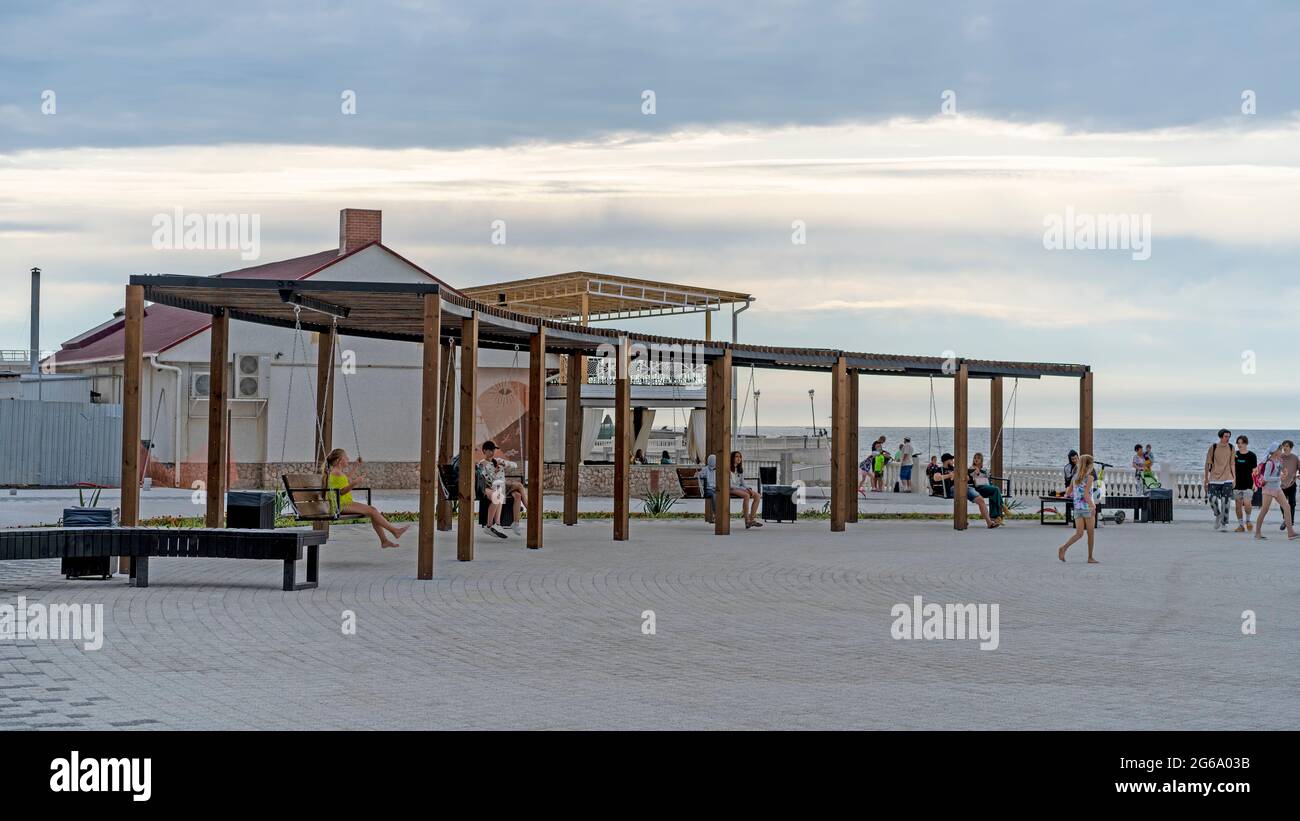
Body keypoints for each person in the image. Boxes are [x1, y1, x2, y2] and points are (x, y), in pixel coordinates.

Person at [324, 448, 409, 548]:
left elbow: (346, 479)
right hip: (341, 505)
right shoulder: (335, 473)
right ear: (339, 460)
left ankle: (385, 540)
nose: (348, 459)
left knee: (373, 511)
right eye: (346, 457)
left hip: (343, 503)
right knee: (372, 510)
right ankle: (394, 532)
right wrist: (355, 483)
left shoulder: (337, 472)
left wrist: (355, 466)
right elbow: (341, 492)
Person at [937, 453, 999, 528]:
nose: (953, 461)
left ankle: (989, 523)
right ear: (947, 461)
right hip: (952, 488)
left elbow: (967, 478)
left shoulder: (955, 469)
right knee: (961, 498)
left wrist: (965, 476)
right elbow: (936, 477)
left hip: (965, 487)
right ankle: (962, 520)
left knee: (980, 500)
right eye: (951, 460)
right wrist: (949, 475)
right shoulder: (940, 469)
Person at [477, 440, 525, 537]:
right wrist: (495, 472)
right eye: (490, 450)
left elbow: (514, 465)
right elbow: (485, 479)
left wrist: (504, 463)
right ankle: (494, 524)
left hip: (502, 486)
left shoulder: (497, 460)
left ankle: (515, 523)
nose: (492, 452)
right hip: (495, 486)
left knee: (518, 495)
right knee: (513, 487)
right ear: (484, 451)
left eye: (493, 450)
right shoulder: (483, 463)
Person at [1059, 453, 1098, 563]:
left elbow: (1068, 492)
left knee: (1079, 533)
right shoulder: (1089, 477)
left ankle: (1064, 548)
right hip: (1087, 508)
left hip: (1077, 508)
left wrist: (1069, 493)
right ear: (1089, 465)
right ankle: (1090, 557)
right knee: (1090, 534)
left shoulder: (1074, 477)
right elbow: (1086, 495)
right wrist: (1093, 506)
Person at [1253, 441, 1296, 540]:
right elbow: (1267, 478)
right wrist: (1280, 477)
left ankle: (1290, 532)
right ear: (1275, 451)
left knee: (1287, 507)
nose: (1282, 451)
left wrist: (1283, 472)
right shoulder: (1269, 462)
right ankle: (1257, 533)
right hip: (1268, 489)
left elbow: (1279, 471)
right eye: (1280, 449)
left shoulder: (1279, 460)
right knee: (1264, 510)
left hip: (1277, 488)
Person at [1203, 428, 1235, 531]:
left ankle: (1224, 523)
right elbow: (1208, 464)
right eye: (1226, 436)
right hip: (1214, 478)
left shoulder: (1231, 447)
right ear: (1221, 436)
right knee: (1212, 498)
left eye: (1229, 436)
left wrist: (1235, 478)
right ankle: (1217, 515)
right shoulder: (1213, 447)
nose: (1228, 438)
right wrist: (1205, 479)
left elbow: (1232, 463)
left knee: (1226, 502)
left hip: (1228, 478)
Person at [729, 451, 763, 528]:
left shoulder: (740, 469)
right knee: (746, 495)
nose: (739, 458)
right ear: (732, 458)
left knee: (757, 496)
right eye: (737, 456)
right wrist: (744, 490)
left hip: (739, 488)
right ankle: (746, 521)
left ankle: (752, 519)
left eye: (740, 457)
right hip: (730, 489)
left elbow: (743, 483)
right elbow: (731, 485)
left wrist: (748, 488)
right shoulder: (728, 469)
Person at [969, 452, 1004, 522]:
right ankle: (1002, 506)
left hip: (985, 486)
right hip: (978, 488)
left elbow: (986, 480)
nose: (976, 459)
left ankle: (994, 517)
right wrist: (975, 473)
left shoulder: (984, 469)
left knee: (994, 494)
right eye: (975, 458)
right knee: (996, 489)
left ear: (981, 460)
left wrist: (985, 474)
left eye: (978, 458)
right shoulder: (971, 468)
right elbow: (971, 477)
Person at [1233, 435, 1257, 533]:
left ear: (1246, 443)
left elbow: (1255, 471)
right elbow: (1232, 468)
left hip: (1248, 483)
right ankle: (1241, 525)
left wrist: (1255, 483)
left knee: (1247, 503)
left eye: (1241, 443)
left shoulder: (1252, 455)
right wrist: (1233, 480)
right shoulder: (1235, 455)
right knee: (1238, 505)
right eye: (1238, 443)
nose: (1239, 445)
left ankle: (1248, 521)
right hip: (1237, 484)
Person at [1277, 440, 1299, 533]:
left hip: (1291, 484)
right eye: (1283, 446)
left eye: (1286, 446)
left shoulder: (1295, 458)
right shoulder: (1279, 457)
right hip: (1280, 485)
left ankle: (1291, 521)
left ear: (1291, 447)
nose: (1284, 448)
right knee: (1283, 504)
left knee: (1292, 503)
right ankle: (1285, 519)